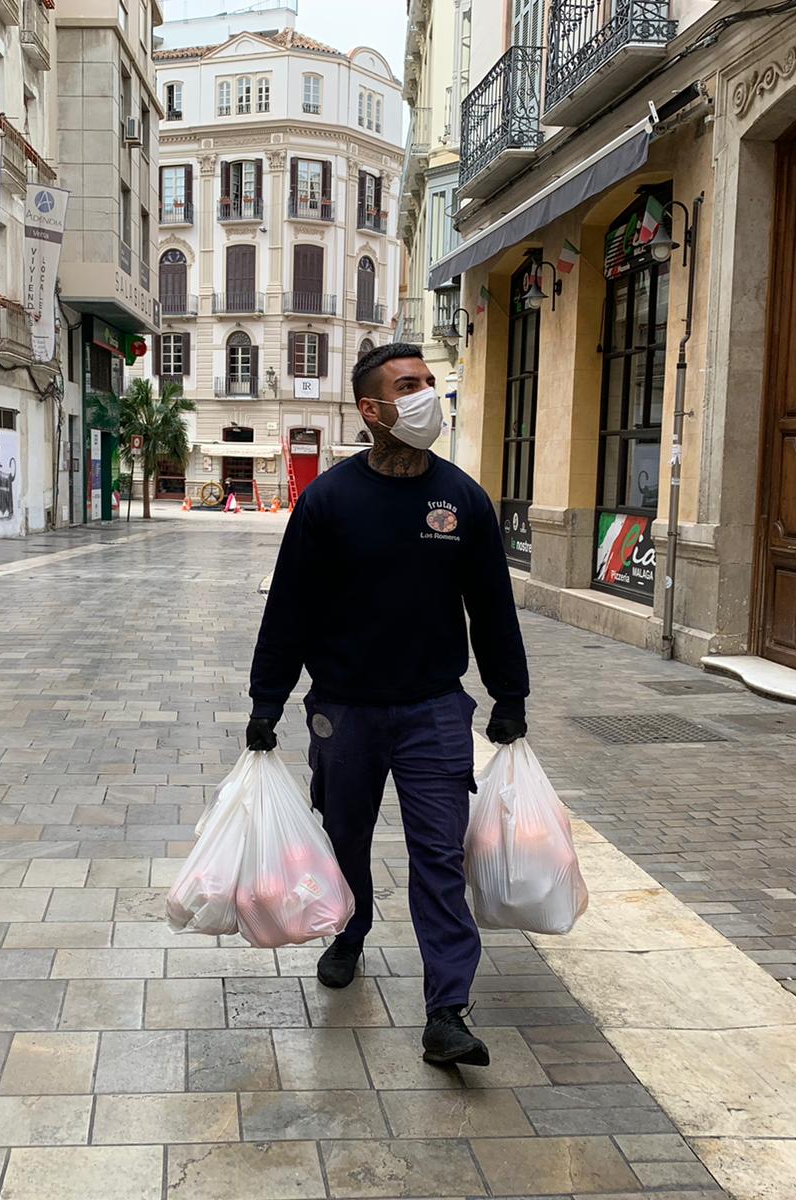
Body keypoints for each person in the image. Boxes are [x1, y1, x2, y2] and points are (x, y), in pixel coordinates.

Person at [246, 342, 529, 1067]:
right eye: (408, 386)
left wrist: (509, 693)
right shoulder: (328, 501)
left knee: (438, 855)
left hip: (434, 711)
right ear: (371, 409)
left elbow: (492, 607)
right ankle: (350, 931)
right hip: (344, 711)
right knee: (345, 840)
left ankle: (447, 1010)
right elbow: (290, 610)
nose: (426, 395)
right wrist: (266, 700)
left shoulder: (462, 500)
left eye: (429, 383)